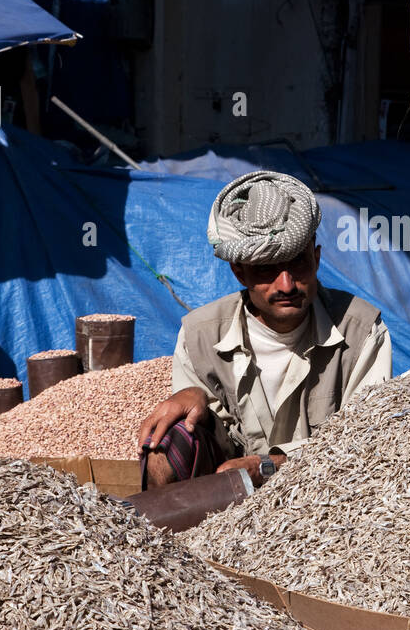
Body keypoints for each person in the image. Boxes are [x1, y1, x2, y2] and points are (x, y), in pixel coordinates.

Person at [138, 171, 392, 489]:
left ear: (316, 258)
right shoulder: (200, 335)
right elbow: (206, 437)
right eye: (267, 269)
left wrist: (271, 467)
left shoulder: (362, 330)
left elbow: (370, 441)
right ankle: (161, 533)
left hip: (328, 496)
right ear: (239, 272)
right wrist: (192, 396)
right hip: (218, 503)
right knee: (170, 436)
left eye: (298, 263)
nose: (286, 285)